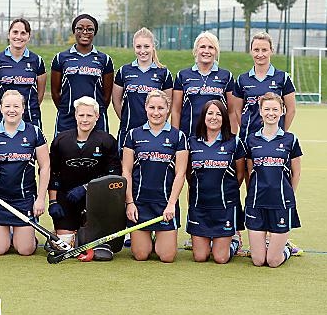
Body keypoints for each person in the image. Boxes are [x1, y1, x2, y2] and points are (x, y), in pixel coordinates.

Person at [0, 90, 50, 256]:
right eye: (7, 106)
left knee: (25, 250)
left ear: (23, 109)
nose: (11, 110)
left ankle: (24, 236)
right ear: (0, 108)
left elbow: (45, 167)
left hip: (24, 200)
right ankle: (7, 234)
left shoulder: (34, 133)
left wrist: (41, 199)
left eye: (16, 106)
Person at [48, 96, 121, 260]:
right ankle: (63, 234)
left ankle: (82, 235)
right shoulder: (61, 140)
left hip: (96, 199)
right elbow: (54, 174)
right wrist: (53, 202)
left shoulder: (107, 141)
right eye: (81, 115)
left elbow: (114, 175)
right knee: (65, 244)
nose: (85, 119)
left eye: (89, 115)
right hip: (67, 198)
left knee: (98, 250)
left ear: (97, 117)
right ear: (75, 116)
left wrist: (86, 187)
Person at [122, 90, 188, 262]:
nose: (156, 112)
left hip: (164, 204)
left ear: (168, 110)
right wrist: (129, 203)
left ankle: (158, 238)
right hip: (140, 204)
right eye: (152, 107)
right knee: (141, 255)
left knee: (167, 257)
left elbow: (180, 173)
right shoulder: (133, 135)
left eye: (161, 108)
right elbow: (126, 172)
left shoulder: (178, 136)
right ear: (145, 108)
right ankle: (147, 239)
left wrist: (172, 204)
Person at [244, 92, 302, 267]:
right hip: (256, 202)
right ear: (260, 112)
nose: (271, 113)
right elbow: (249, 173)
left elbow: (296, 173)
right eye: (267, 109)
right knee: (258, 260)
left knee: (273, 261)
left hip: (281, 203)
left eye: (275, 109)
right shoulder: (251, 140)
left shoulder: (290, 140)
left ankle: (285, 248)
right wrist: (253, 194)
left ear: (282, 111)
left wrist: (288, 196)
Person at [186, 100, 246, 264]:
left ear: (224, 118)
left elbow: (239, 175)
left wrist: (226, 193)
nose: (214, 117)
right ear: (203, 117)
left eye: (218, 114)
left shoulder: (234, 142)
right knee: (200, 257)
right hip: (200, 206)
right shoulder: (192, 142)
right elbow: (189, 175)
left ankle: (233, 242)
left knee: (220, 258)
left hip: (224, 207)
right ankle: (212, 241)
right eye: (210, 113)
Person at [51, 13, 114, 135]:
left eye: (90, 29)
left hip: (96, 119)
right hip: (67, 119)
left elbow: (106, 96)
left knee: (97, 154)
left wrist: (94, 113)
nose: (85, 32)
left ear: (94, 32)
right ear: (74, 31)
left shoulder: (104, 60)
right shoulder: (61, 58)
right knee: (64, 153)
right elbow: (55, 92)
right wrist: (67, 110)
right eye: (80, 28)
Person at [113, 27, 173, 152]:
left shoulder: (163, 73)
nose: (142, 51)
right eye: (138, 47)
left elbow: (169, 104)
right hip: (128, 130)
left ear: (153, 47)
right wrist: (126, 120)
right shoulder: (124, 71)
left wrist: (157, 122)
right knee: (126, 169)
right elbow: (116, 101)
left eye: (146, 46)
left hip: (155, 131)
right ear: (134, 47)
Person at [231, 31, 296, 144]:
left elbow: (291, 110)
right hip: (248, 138)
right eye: (256, 50)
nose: (260, 54)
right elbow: (237, 110)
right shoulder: (242, 79)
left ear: (271, 51)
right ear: (251, 51)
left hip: (274, 139)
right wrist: (246, 128)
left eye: (264, 50)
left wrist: (280, 131)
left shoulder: (283, 78)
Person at [0, 18, 46, 128]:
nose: (19, 36)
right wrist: (4, 110)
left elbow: (39, 95)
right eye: (15, 32)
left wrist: (26, 109)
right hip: (2, 119)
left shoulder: (37, 61)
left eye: (23, 33)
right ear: (9, 34)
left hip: (30, 118)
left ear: (29, 36)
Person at [171, 31, 236, 138]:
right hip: (189, 137)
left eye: (211, 47)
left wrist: (232, 139)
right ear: (196, 50)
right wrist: (175, 137)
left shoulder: (226, 76)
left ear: (216, 51)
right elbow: (176, 111)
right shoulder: (182, 76)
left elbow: (231, 112)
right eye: (202, 47)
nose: (206, 51)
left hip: (217, 140)